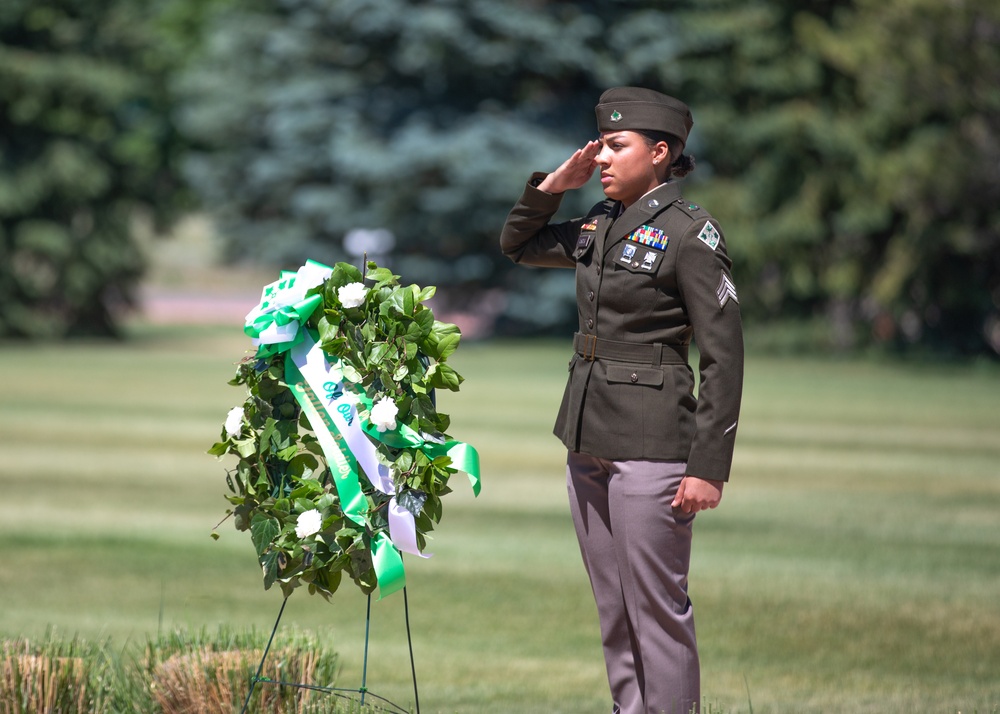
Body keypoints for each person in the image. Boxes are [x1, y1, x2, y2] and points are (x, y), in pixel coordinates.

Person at [499, 87, 744, 714]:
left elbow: (723, 357)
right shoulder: (599, 223)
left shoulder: (691, 235)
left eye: (616, 146)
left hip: (653, 444)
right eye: (601, 146)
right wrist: (555, 183)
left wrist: (708, 468)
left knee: (656, 609)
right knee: (614, 608)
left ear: (660, 153)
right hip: (588, 436)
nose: (602, 158)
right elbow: (519, 245)